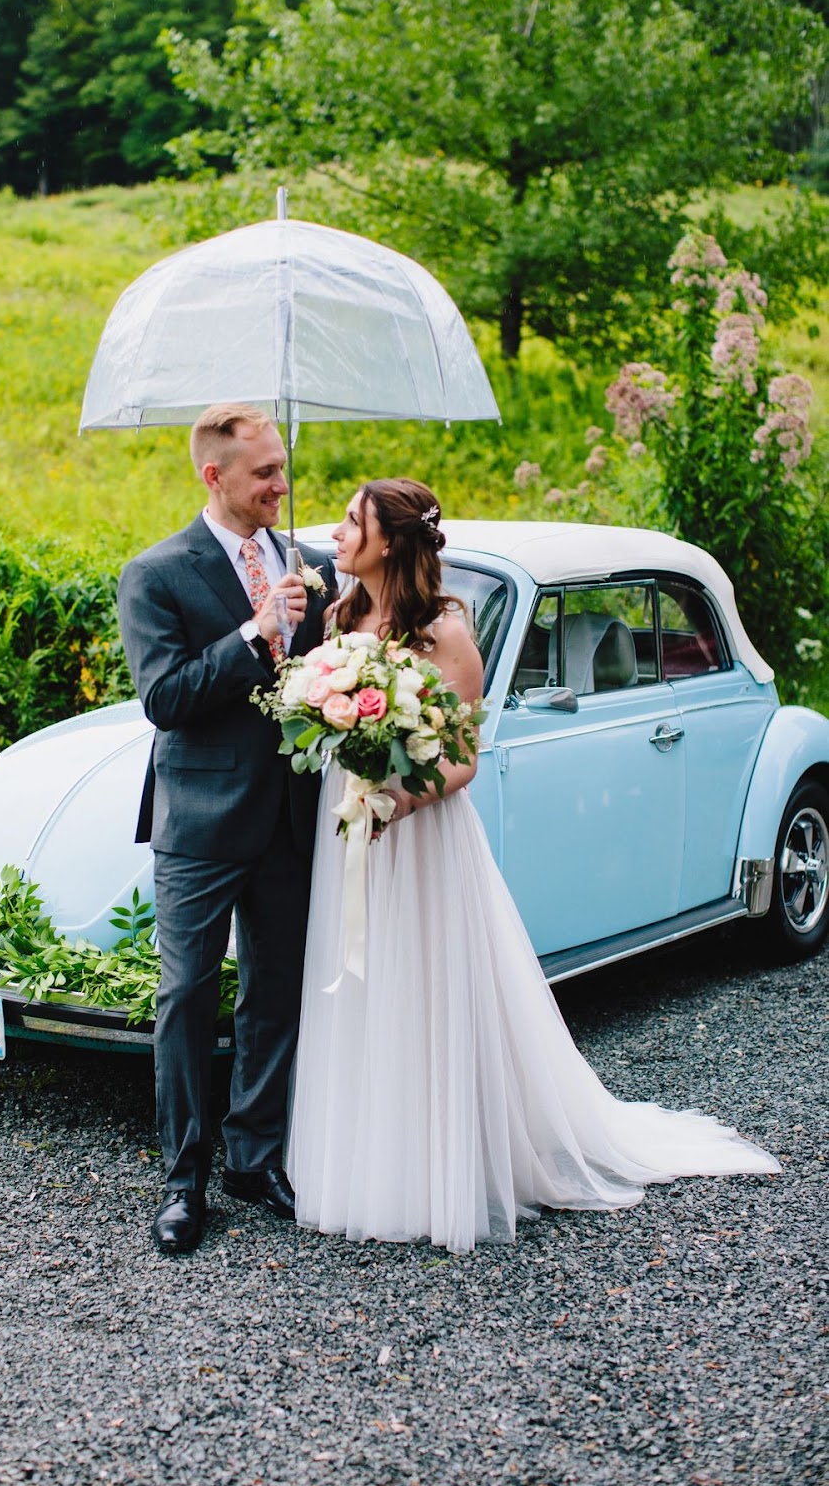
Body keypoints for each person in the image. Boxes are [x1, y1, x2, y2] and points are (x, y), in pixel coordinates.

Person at [286, 478, 780, 1252]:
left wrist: (395, 801)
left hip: (415, 836)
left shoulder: (445, 631)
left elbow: (461, 761)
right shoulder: (338, 615)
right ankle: (361, 1161)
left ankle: (436, 1168)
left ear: (392, 543)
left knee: (422, 990)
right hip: (348, 827)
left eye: (354, 521)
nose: (339, 532)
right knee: (360, 987)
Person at [118, 403, 336, 1255]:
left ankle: (255, 1157)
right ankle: (183, 1180)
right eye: (264, 475)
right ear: (214, 477)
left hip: (290, 814)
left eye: (282, 468)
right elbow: (165, 699)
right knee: (185, 997)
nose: (280, 485)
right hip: (202, 822)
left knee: (276, 990)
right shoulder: (157, 574)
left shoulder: (309, 564)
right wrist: (257, 631)